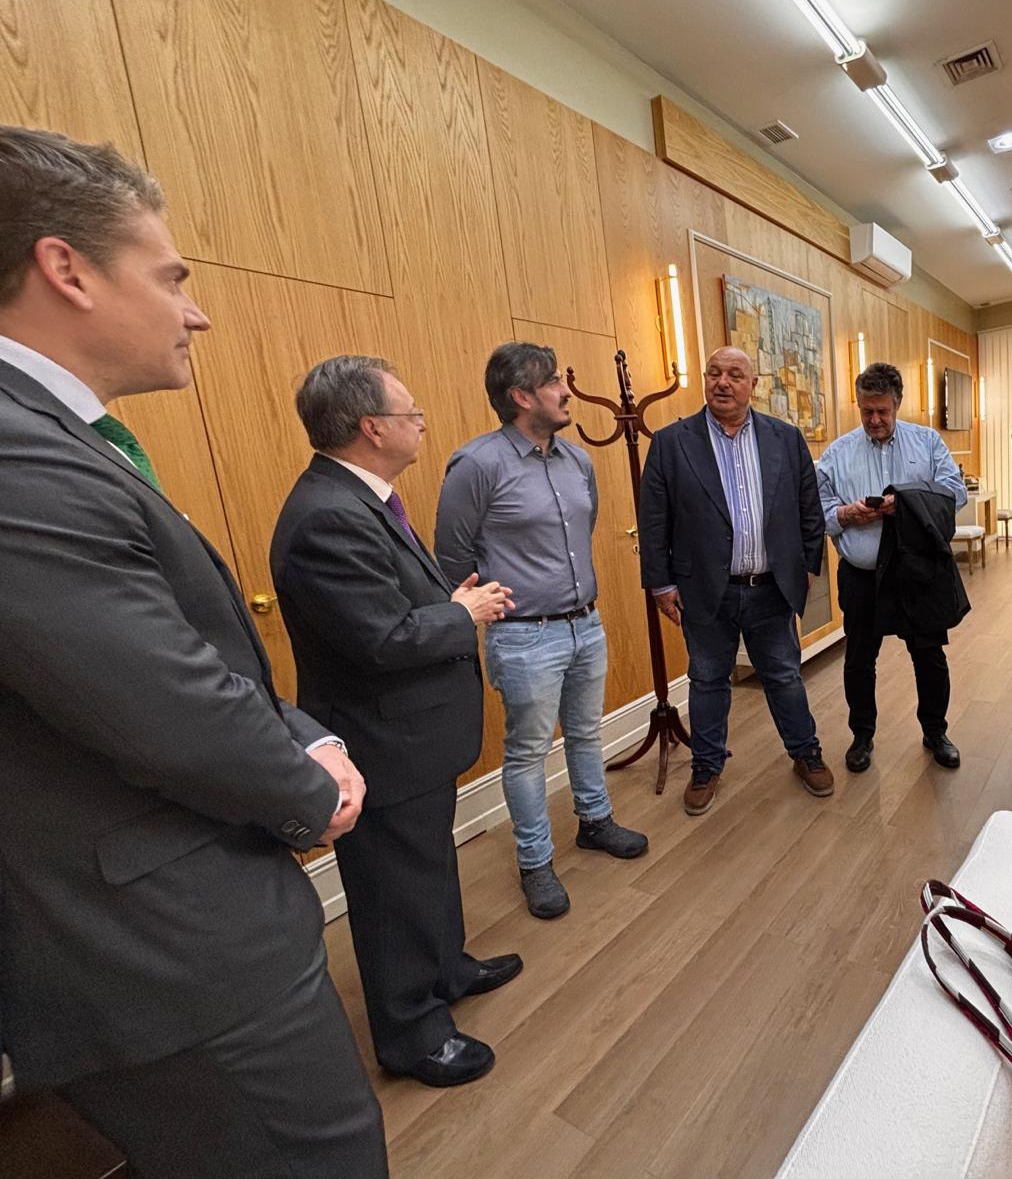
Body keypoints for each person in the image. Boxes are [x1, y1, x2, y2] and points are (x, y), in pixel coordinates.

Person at [0, 126, 386, 1176]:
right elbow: (159, 703)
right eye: (171, 277)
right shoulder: (17, 453)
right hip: (166, 957)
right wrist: (310, 787)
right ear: (67, 269)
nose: (195, 309)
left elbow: (175, 644)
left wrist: (302, 733)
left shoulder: (58, 437)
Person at [271, 355, 524, 1087]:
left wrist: (446, 601)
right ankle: (413, 1033)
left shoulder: (362, 500)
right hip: (382, 738)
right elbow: (381, 639)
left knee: (426, 865)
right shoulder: (328, 516)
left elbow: (387, 606)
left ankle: (445, 970)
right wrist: (462, 613)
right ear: (372, 427)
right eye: (410, 413)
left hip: (414, 734)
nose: (421, 424)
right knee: (392, 891)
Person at [436, 342, 647, 920]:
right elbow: (452, 559)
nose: (565, 389)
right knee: (528, 752)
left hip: (586, 624)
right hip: (524, 636)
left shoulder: (577, 461)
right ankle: (535, 862)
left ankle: (595, 821)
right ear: (522, 397)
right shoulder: (476, 465)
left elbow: (583, 527)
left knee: (585, 734)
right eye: (553, 381)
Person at [638, 345, 832, 815]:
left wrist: (808, 567)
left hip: (771, 588)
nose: (722, 382)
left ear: (753, 385)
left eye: (735, 374)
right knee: (707, 680)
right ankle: (706, 766)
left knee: (784, 675)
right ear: (705, 379)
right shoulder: (671, 443)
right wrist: (661, 585)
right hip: (704, 590)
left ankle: (805, 752)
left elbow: (809, 509)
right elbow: (654, 520)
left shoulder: (786, 439)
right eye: (714, 373)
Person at [817, 361, 969, 772]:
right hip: (862, 577)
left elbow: (954, 494)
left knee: (929, 656)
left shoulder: (928, 442)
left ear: (898, 404)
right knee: (859, 660)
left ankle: (935, 732)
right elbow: (817, 509)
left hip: (918, 573)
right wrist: (845, 514)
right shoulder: (837, 453)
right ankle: (862, 736)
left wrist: (906, 504)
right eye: (866, 411)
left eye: (882, 411)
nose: (874, 420)